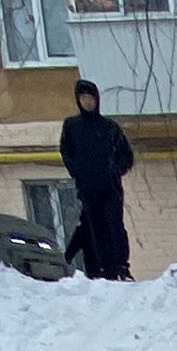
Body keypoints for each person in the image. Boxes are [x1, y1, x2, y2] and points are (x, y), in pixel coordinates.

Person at [62, 81, 136, 280]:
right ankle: (105, 269)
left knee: (115, 227)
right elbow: (67, 154)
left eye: (91, 98)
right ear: (78, 100)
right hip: (88, 189)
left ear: (97, 100)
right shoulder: (72, 127)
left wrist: (114, 171)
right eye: (83, 98)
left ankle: (121, 266)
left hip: (110, 188)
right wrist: (79, 173)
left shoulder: (109, 128)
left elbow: (126, 156)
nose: (87, 102)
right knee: (96, 229)